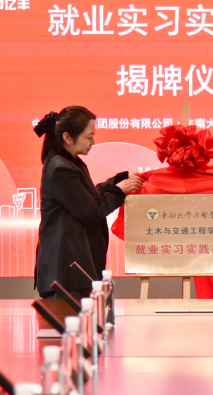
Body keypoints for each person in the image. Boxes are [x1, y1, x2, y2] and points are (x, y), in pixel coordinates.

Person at [33, 106, 144, 299]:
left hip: (70, 271)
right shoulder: (61, 167)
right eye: (89, 136)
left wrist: (117, 181)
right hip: (66, 272)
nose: (93, 142)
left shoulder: (69, 161)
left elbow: (87, 196)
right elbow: (91, 210)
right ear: (68, 138)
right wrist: (119, 192)